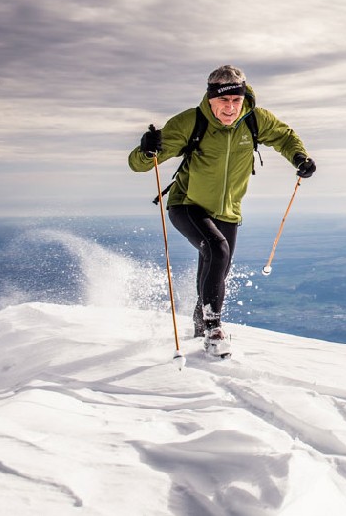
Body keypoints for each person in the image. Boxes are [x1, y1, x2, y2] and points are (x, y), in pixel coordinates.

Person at [129, 65, 315, 356]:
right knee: (217, 248)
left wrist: (299, 157)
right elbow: (141, 164)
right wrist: (146, 149)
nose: (230, 108)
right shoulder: (190, 122)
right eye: (223, 101)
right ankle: (214, 328)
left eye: (235, 101)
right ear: (211, 98)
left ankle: (200, 324)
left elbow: (284, 136)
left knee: (217, 266)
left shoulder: (254, 120)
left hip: (228, 210)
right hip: (187, 203)